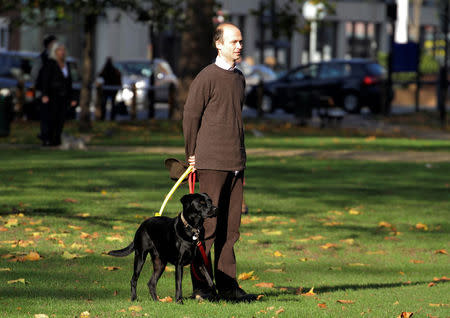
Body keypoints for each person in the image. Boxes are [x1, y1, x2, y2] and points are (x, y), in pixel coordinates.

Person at [183, 23, 257, 302]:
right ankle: (202, 288)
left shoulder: (239, 78)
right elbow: (190, 116)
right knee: (208, 228)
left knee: (231, 228)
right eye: (234, 41)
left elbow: (235, 121)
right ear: (219, 44)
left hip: (236, 160)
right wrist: (192, 153)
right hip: (211, 161)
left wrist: (241, 158)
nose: (239, 46)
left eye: (241, 41)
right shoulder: (206, 77)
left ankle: (227, 286)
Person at [40, 42, 77, 146]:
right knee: (51, 118)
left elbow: (69, 82)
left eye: (63, 50)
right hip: (52, 96)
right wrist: (44, 94)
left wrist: (72, 97)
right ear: (55, 52)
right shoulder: (50, 64)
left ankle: (56, 140)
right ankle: (48, 139)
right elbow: (45, 80)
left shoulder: (66, 65)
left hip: (63, 96)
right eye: (60, 50)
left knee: (60, 119)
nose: (62, 52)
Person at [31, 35, 57, 141]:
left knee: (53, 115)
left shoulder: (57, 58)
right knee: (45, 115)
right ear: (49, 45)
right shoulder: (42, 58)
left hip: (55, 92)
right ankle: (45, 136)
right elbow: (34, 74)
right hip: (44, 91)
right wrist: (39, 88)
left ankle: (51, 136)